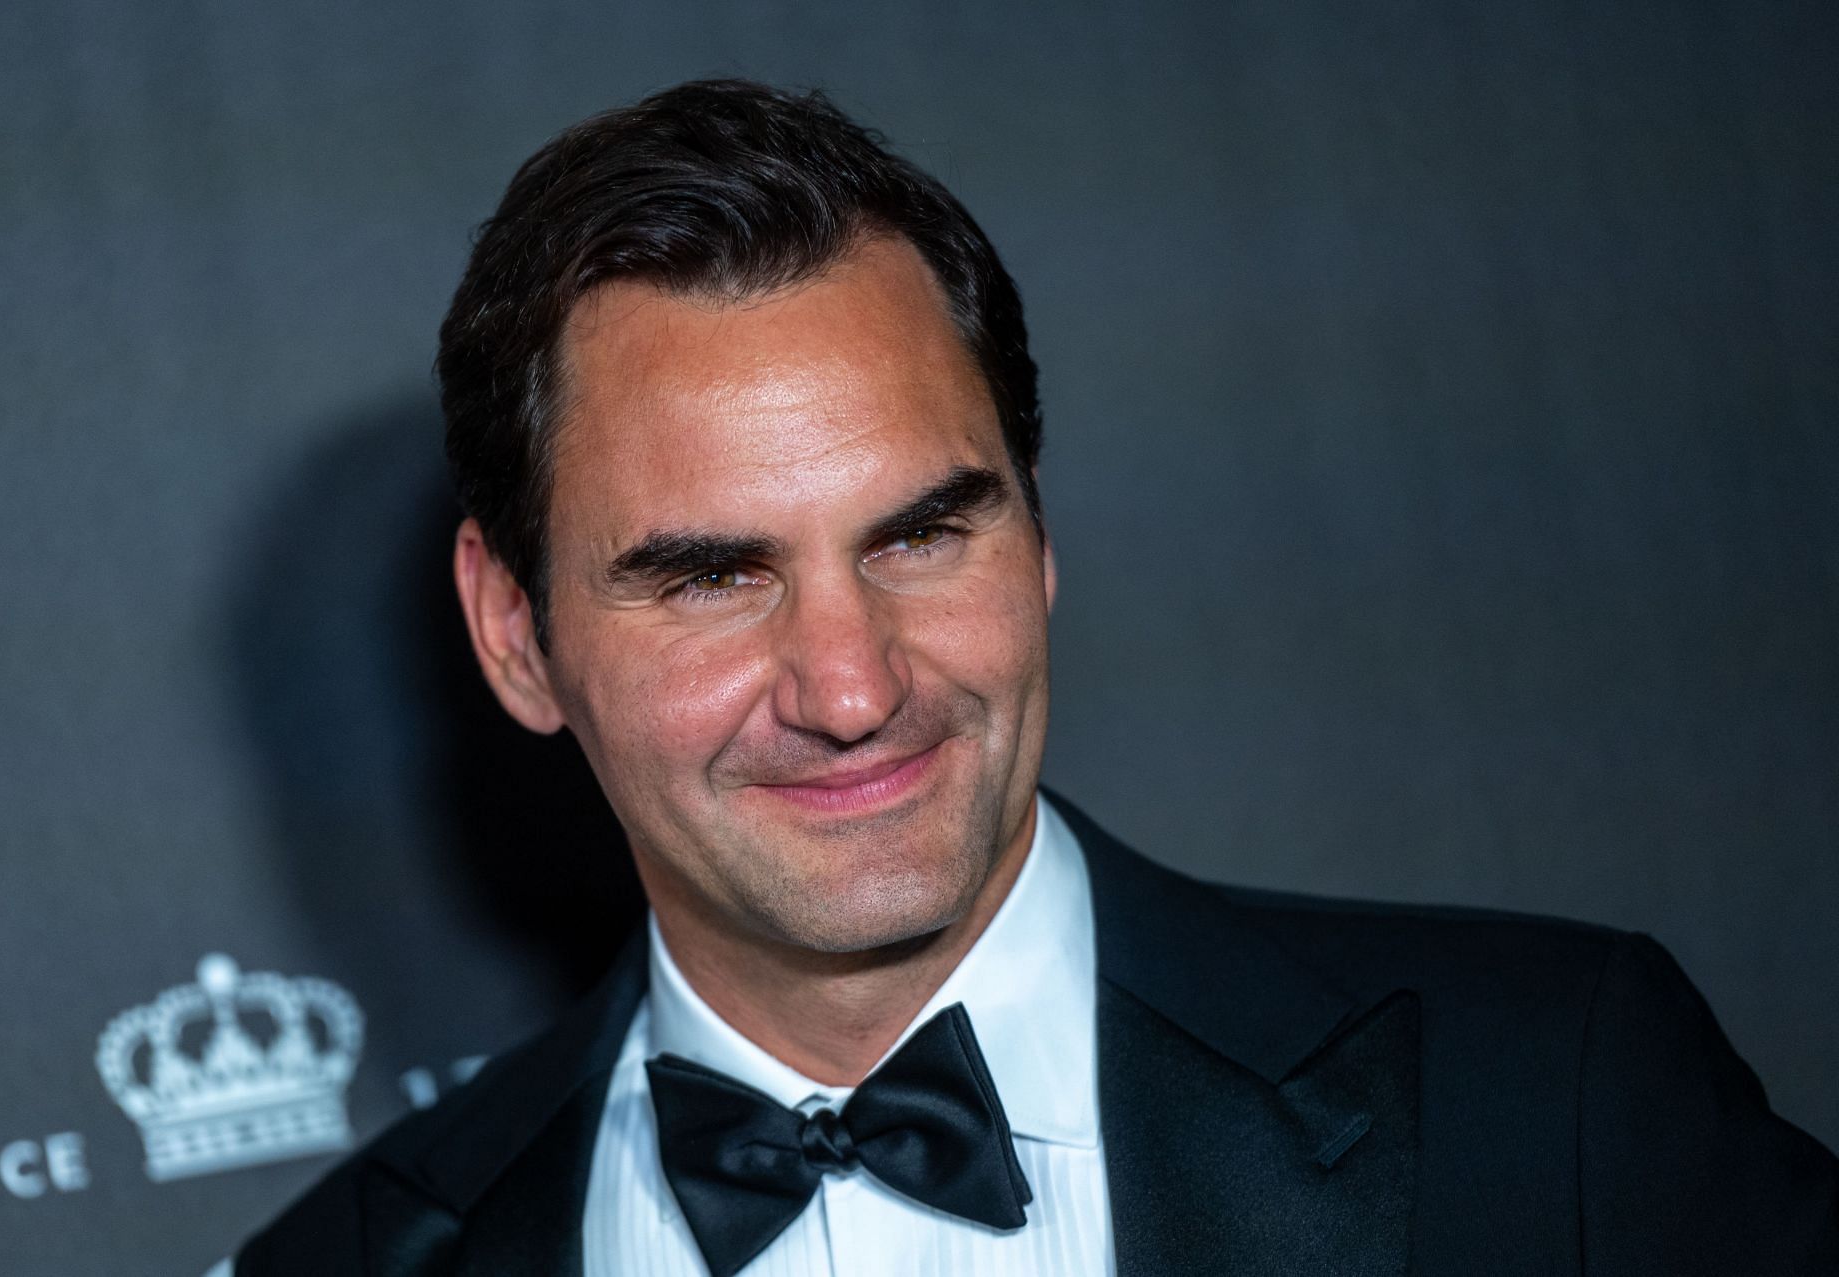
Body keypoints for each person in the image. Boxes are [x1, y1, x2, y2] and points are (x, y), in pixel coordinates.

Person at [237, 79, 1838, 1276]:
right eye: (715, 576)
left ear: (1039, 536)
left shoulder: (1555, 1109)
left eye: (924, 536)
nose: (853, 687)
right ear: (517, 634)